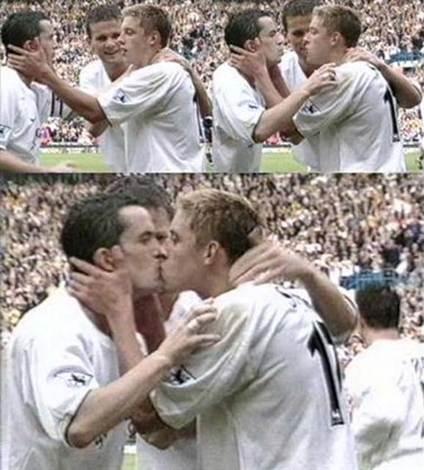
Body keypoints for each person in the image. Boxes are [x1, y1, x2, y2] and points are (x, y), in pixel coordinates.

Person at [80, 188, 358, 469]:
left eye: (175, 239)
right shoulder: (288, 299)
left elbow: (149, 418)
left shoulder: (234, 310)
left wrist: (120, 314)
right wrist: (309, 274)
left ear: (210, 252)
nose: (164, 252)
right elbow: (346, 325)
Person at [4, 191, 219, 470]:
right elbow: (80, 425)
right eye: (146, 239)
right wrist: (165, 356)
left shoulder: (122, 330)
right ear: (107, 259)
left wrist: (142, 329)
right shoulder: (54, 326)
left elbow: (155, 426)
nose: (162, 251)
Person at [8, 5, 206, 172]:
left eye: (125, 33)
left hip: (165, 170)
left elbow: (94, 112)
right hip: (130, 166)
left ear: (152, 38)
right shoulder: (94, 73)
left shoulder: (160, 72)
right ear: (90, 43)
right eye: (102, 38)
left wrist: (45, 73)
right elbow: (90, 121)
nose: (116, 42)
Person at [278, 0, 422, 171]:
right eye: (299, 33)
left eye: (313, 32)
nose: (306, 39)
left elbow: (290, 131)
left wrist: (266, 74)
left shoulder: (343, 75)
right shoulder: (365, 68)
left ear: (334, 38)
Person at [211, 8, 338, 172]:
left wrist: (274, 76)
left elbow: (291, 126)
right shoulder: (228, 80)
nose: (281, 40)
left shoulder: (259, 74)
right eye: (272, 35)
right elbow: (259, 130)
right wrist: (306, 89)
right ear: (252, 46)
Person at [344, 284, 424, 470]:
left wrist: (346, 451)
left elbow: (383, 416)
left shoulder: (368, 362)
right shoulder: (420, 352)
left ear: (360, 319)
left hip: (397, 461)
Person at [0, 11, 73, 172]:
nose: (55, 45)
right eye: (51, 38)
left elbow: (82, 109)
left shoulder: (35, 90)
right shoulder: (6, 86)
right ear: (32, 46)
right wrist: (47, 172)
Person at [79, 4, 128, 172]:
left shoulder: (147, 67)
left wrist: (104, 104)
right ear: (90, 43)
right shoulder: (89, 74)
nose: (110, 44)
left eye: (116, 35)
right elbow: (94, 126)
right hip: (116, 165)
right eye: (101, 38)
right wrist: (125, 80)